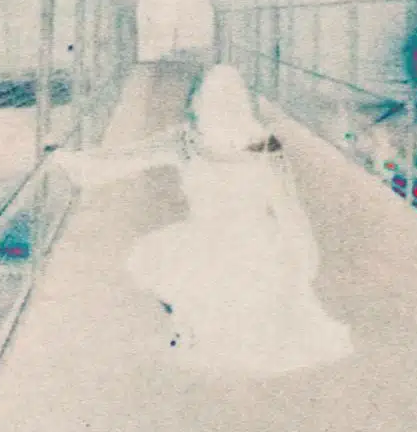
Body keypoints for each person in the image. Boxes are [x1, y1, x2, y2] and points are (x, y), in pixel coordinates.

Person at [53, 64, 353, 377]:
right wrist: (302, 254)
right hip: (233, 241)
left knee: (184, 276)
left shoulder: (218, 143)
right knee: (186, 275)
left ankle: (196, 329)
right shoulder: (224, 143)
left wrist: (303, 251)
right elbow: (287, 207)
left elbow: (286, 204)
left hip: (232, 242)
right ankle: (199, 328)